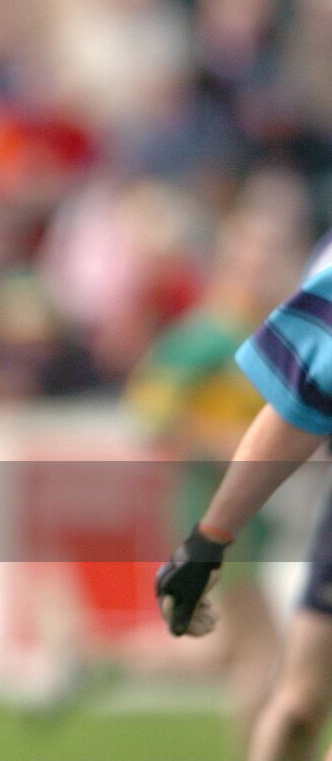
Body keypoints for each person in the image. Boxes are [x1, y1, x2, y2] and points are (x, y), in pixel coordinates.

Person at [156, 254, 332, 761]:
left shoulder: (251, 323)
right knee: (263, 658)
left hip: (249, 505)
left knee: (249, 650)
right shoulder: (204, 336)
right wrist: (210, 534)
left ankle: (99, 660)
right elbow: (154, 412)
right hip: (220, 497)